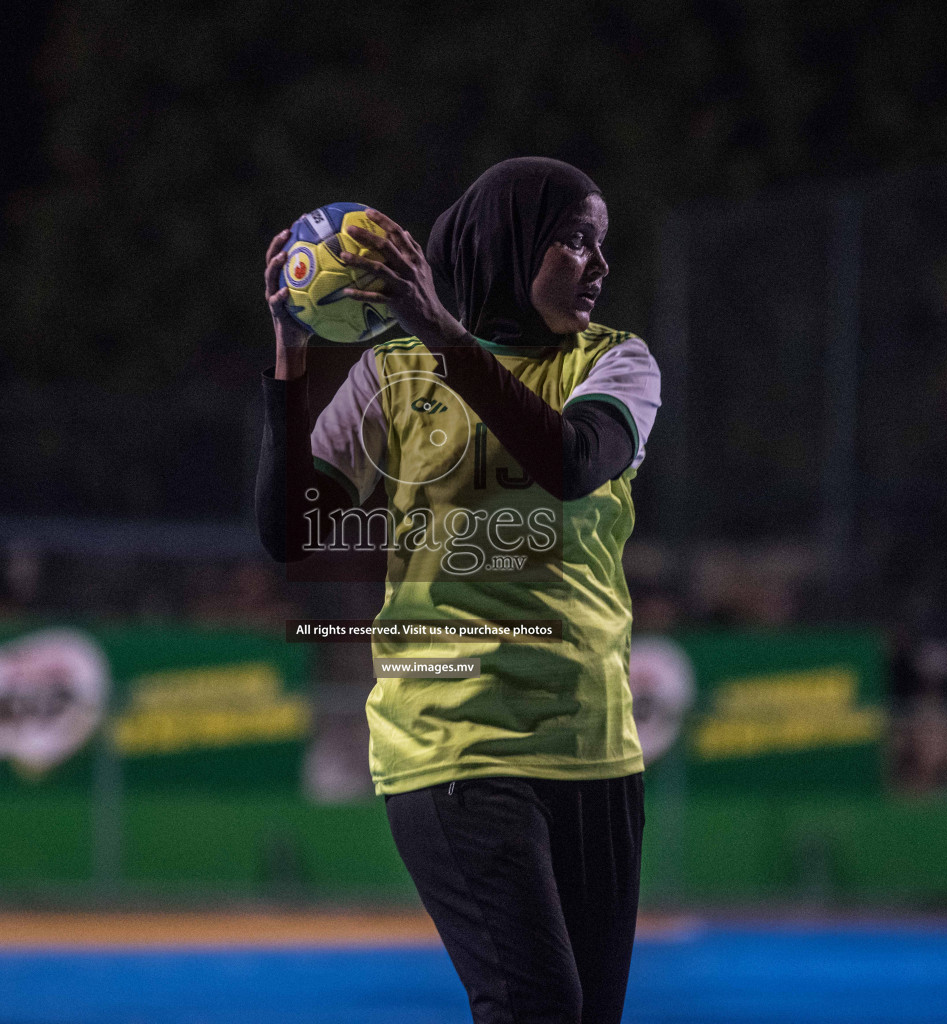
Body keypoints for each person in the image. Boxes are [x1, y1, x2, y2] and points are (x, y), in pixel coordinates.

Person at [255, 157, 661, 1024]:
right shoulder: (393, 372)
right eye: (576, 242)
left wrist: (442, 331)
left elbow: (569, 460)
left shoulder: (617, 361)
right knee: (535, 1005)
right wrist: (290, 361)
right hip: (452, 743)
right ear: (510, 245)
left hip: (594, 747)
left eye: (602, 245)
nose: (599, 266)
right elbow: (291, 529)